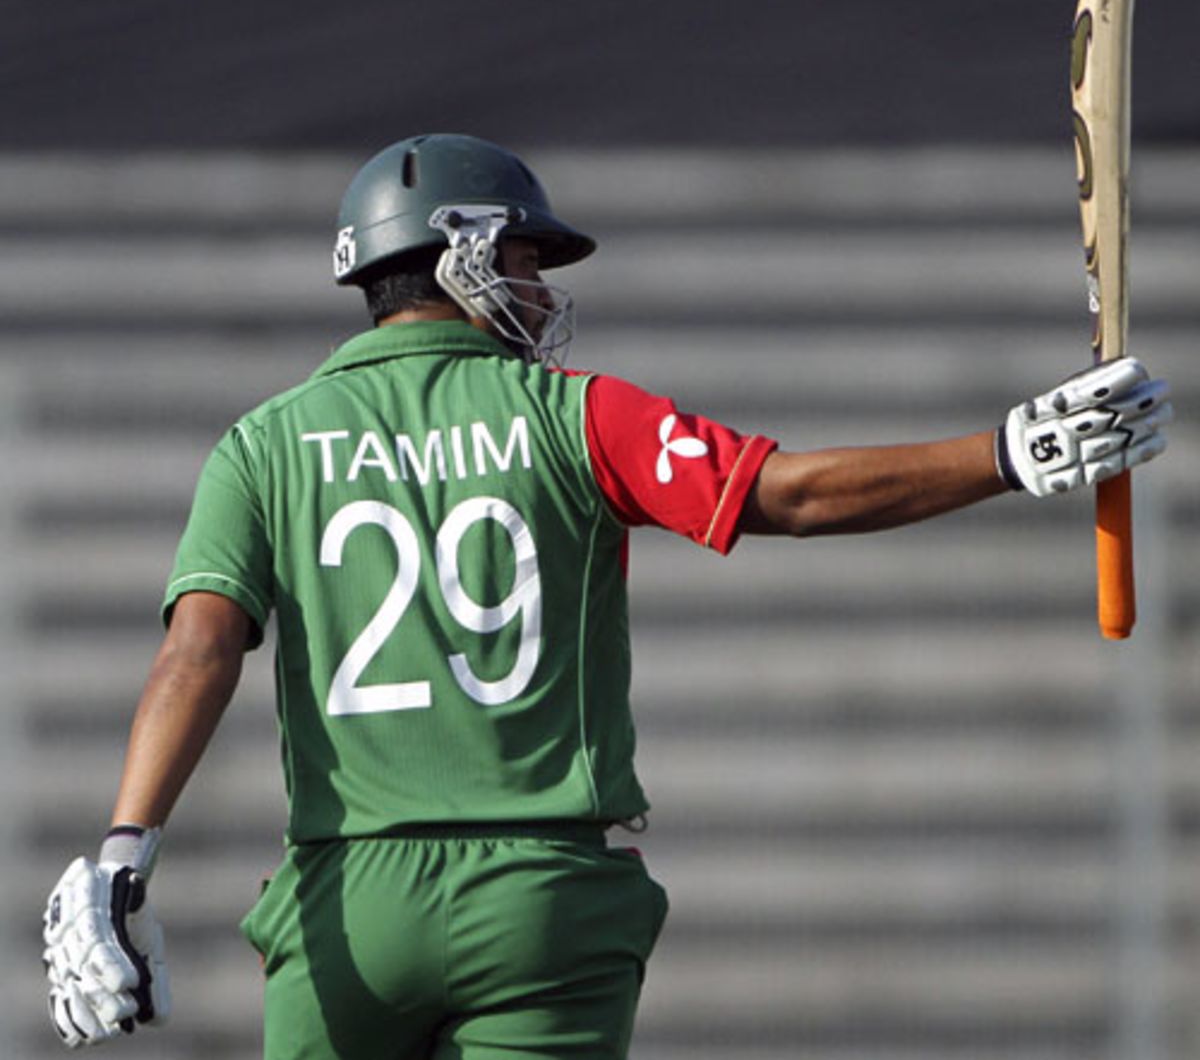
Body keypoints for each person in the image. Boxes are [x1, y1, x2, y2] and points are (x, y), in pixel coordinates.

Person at [42, 133, 1171, 1058]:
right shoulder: (571, 413)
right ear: (463, 255)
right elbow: (787, 497)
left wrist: (123, 856)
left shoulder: (263, 445)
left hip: (348, 902)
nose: (539, 287)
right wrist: (1009, 453)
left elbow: (198, 654)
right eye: (528, 260)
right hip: (539, 898)